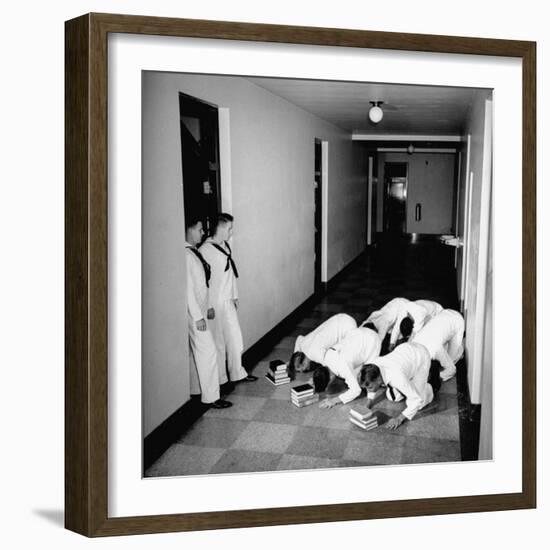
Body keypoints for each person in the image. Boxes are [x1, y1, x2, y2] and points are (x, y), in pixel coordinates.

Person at [200, 213, 257, 385]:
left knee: (235, 337)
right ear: (220, 228)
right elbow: (204, 283)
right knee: (218, 342)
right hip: (215, 303)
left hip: (227, 300)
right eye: (229, 228)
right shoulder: (205, 250)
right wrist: (208, 306)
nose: (231, 232)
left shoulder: (225, 245)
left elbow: (230, 274)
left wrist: (235, 295)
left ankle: (237, 372)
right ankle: (220, 379)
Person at [185, 218, 232, 409]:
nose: (202, 232)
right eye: (199, 229)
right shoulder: (186, 255)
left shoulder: (192, 252)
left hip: (201, 310)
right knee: (209, 352)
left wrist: (209, 306)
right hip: (194, 313)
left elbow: (204, 283)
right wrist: (197, 316)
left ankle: (196, 390)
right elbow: (188, 289)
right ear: (188, 230)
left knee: (198, 352)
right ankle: (212, 397)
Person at [358, 342, 441, 430]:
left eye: (370, 387)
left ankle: (431, 385)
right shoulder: (371, 366)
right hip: (404, 351)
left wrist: (399, 419)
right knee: (393, 398)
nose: (369, 390)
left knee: (419, 403)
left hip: (420, 356)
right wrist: (368, 403)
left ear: (378, 379)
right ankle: (410, 384)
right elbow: (368, 382)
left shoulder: (397, 378)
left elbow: (417, 399)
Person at [310, 326, 381, 409]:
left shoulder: (342, 368)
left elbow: (356, 390)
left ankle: (370, 400)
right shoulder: (327, 357)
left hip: (372, 340)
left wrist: (334, 400)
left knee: (369, 374)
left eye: (329, 384)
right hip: (358, 331)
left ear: (331, 377)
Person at [288, 313, 357, 379]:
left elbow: (330, 367)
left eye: (301, 368)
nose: (302, 371)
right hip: (340, 317)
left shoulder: (315, 355)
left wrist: (316, 380)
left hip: (347, 327)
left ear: (303, 364)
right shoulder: (303, 344)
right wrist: (293, 360)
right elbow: (299, 339)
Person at [361, 297, 441, 351]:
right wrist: (392, 343)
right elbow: (396, 328)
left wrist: (405, 349)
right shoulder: (404, 311)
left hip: (437, 312)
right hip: (411, 304)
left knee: (428, 337)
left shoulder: (419, 319)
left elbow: (413, 337)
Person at [412, 308, 465, 381]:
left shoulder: (435, 350)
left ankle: (461, 349)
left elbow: (452, 370)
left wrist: (437, 376)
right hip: (443, 314)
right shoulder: (414, 343)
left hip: (457, 320)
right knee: (444, 351)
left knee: (453, 359)